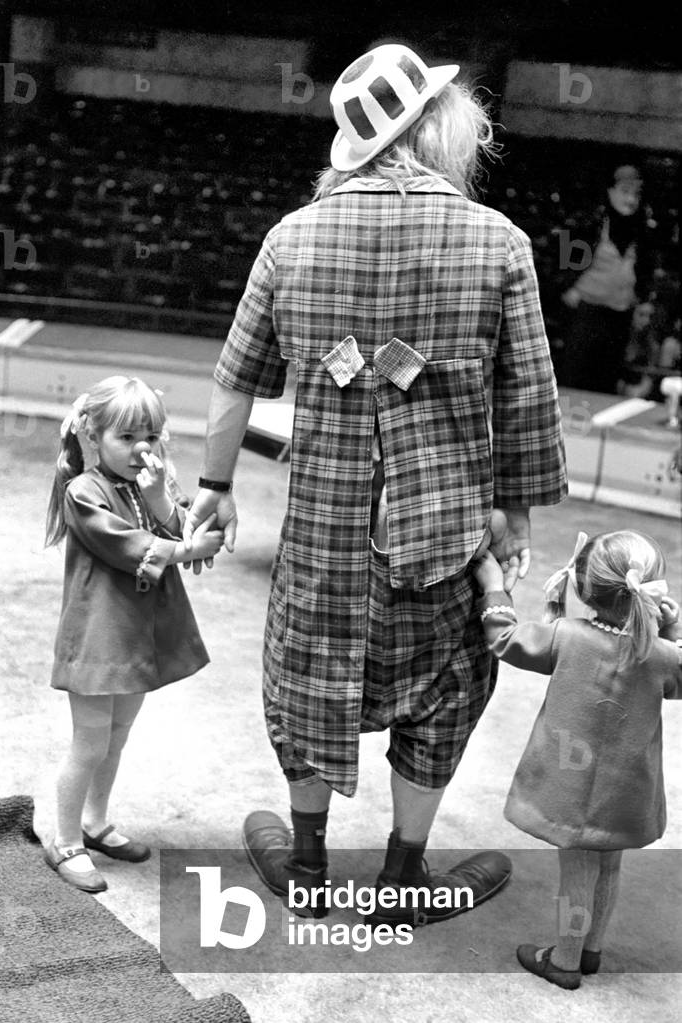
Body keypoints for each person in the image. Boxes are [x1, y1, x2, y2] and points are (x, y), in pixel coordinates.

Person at [184, 43, 568, 924]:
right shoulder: (498, 240)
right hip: (442, 535)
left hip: (322, 534)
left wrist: (214, 483)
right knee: (446, 690)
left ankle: (311, 867)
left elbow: (235, 378)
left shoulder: (292, 236)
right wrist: (513, 508)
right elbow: (531, 392)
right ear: (434, 127)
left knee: (305, 678)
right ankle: (401, 877)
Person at [473, 530, 682, 988]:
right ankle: (591, 951)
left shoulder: (566, 636)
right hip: (627, 791)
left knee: (579, 871)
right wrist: (671, 632)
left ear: (584, 590)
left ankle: (564, 961)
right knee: (609, 864)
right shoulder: (660, 655)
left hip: (569, 789)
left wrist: (495, 587)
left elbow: (505, 639)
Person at [44, 375, 222, 893]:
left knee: (117, 737)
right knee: (89, 743)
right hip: (99, 638)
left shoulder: (152, 484)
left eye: (152, 436)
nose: (143, 449)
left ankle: (96, 823)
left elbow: (183, 525)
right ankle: (65, 838)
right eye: (127, 438)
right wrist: (189, 547)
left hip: (134, 637)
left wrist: (164, 503)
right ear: (92, 437)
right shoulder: (85, 491)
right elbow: (137, 547)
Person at [558, 163, 654, 394]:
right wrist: (568, 287)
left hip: (621, 314)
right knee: (575, 373)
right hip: (587, 311)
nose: (630, 200)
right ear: (610, 191)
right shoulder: (591, 221)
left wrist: (642, 299)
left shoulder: (643, 229)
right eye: (624, 192)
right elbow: (564, 248)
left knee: (607, 377)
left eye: (635, 195)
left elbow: (646, 270)